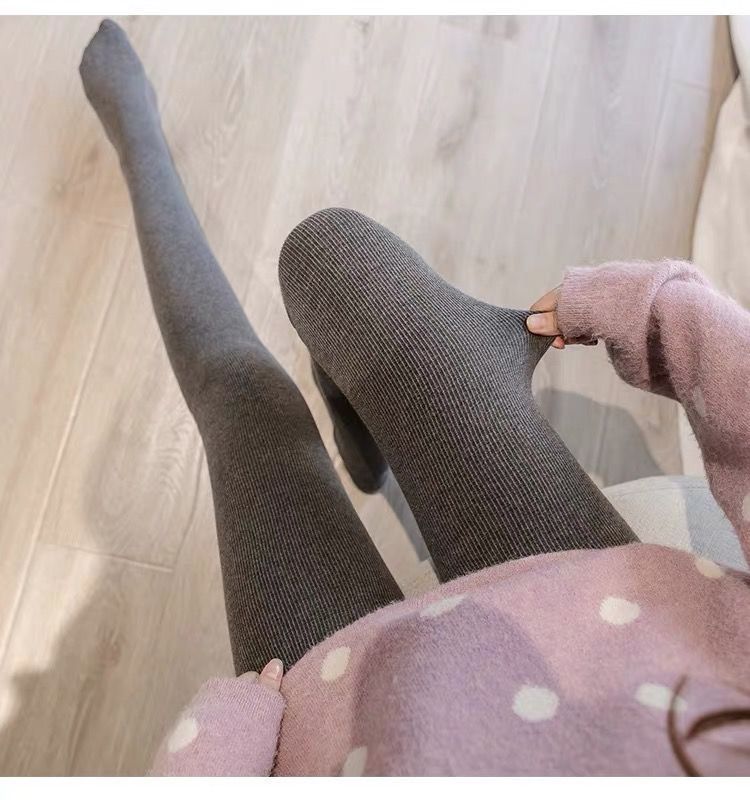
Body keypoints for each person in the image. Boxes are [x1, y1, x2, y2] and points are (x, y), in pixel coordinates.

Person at [79, 20, 750, 777]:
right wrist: (665, 312)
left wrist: (211, 761)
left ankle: (140, 147)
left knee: (242, 397)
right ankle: (363, 443)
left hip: (338, 728)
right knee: (330, 254)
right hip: (620, 621)